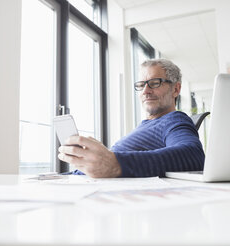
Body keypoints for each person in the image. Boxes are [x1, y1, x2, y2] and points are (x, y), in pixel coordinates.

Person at [58, 58, 205, 178]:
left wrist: (115, 165)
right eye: (141, 85)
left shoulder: (174, 120)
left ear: (176, 89)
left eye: (154, 83)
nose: (146, 91)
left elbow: (193, 155)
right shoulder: (147, 125)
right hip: (74, 178)